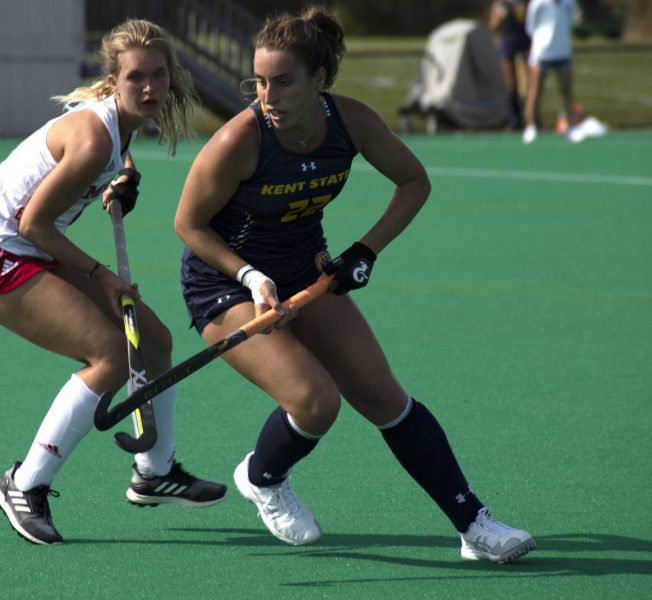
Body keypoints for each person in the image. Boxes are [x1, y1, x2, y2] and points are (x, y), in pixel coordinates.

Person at [175, 6, 536, 562]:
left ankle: (474, 527)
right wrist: (250, 276)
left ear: (319, 80)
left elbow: (414, 181)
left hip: (306, 271)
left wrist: (366, 251)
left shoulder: (351, 121)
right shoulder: (238, 141)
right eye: (260, 82)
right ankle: (264, 477)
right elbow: (189, 224)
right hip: (222, 283)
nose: (268, 96)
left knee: (384, 397)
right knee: (316, 402)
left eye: (283, 81)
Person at [0, 19, 227, 545]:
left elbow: (107, 154)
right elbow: (32, 221)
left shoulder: (116, 128)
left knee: (157, 340)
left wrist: (124, 174)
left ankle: (154, 470)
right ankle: (24, 483)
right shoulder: (92, 138)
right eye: (135, 78)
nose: (149, 88)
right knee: (111, 354)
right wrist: (102, 278)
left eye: (158, 76)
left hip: (30, 248)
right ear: (112, 81)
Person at [522, 0, 580, 144]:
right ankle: (530, 127)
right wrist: (543, 41)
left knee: (566, 91)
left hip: (563, 52)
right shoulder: (538, 3)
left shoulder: (569, 2)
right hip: (542, 53)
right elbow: (531, 26)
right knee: (535, 91)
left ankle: (570, 128)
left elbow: (571, 21)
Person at [488, 0, 531, 130]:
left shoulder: (525, 3)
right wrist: (500, 17)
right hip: (507, 45)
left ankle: (530, 119)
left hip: (525, 44)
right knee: (510, 84)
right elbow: (492, 27)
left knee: (528, 84)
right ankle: (514, 120)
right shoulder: (500, 3)